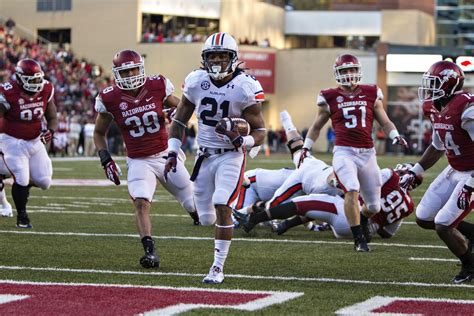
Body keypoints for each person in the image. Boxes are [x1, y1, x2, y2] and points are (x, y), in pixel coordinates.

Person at [164, 32, 266, 284]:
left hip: (231, 155)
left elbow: (261, 131)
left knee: (222, 204)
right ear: (204, 58)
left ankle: (217, 268)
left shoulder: (246, 86)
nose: (218, 61)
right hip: (204, 156)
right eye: (213, 56)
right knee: (205, 217)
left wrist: (244, 140)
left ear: (233, 58)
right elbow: (179, 120)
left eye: (223, 56)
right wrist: (173, 151)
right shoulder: (196, 81)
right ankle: (237, 200)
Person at [94, 49, 199, 269]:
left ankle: (197, 215)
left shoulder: (157, 85)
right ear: (117, 74)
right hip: (138, 160)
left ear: (141, 68)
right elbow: (98, 133)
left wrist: (175, 112)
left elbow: (182, 106)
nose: (131, 75)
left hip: (165, 156)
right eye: (126, 71)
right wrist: (105, 159)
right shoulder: (109, 98)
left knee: (192, 202)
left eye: (134, 69)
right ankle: (149, 251)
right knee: (141, 202)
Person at [300, 54, 407, 252]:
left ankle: (364, 219)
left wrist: (395, 134)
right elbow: (316, 127)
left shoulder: (371, 92)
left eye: (352, 70)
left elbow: (384, 120)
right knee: (351, 188)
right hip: (344, 152)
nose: (349, 75)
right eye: (344, 71)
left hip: (367, 153)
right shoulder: (329, 97)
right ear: (337, 73)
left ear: (358, 71)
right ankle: (359, 239)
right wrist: (306, 147)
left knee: (374, 206)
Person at [400, 60, 474, 284]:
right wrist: (415, 170)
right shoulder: (433, 107)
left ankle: (470, 265)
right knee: (424, 218)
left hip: (472, 173)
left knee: (443, 225)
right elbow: (437, 145)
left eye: (433, 84)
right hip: (455, 168)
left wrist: (471, 184)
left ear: (450, 84)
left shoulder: (467, 109)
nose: (429, 89)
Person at [270, 164, 421, 239]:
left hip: (352, 214)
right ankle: (286, 223)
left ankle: (282, 222)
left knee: (325, 199)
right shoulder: (409, 206)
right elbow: (387, 233)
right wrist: (376, 223)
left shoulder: (390, 176)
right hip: (363, 230)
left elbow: (364, 183)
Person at [0, 59, 57, 228]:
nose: (36, 83)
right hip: (11, 139)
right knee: (22, 177)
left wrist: (51, 131)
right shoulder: (8, 92)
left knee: (45, 181)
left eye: (37, 79)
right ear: (20, 78)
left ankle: (5, 173)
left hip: (34, 139)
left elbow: (52, 117)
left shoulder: (46, 88)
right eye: (31, 80)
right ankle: (22, 217)